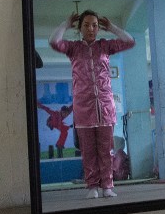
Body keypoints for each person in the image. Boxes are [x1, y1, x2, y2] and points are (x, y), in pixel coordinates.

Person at [50, 10, 135, 199]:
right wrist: (65, 24)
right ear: (80, 28)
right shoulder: (73, 49)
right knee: (88, 151)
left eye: (95, 25)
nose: (91, 28)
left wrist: (112, 27)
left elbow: (130, 41)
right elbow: (54, 42)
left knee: (106, 150)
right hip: (83, 108)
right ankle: (92, 187)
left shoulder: (105, 46)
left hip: (104, 107)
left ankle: (107, 186)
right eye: (86, 25)